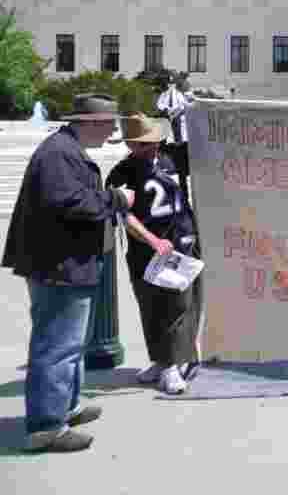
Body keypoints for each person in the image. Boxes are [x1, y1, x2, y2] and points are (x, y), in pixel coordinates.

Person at [1, 94, 135, 453]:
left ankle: (66, 408)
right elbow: (72, 204)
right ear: (89, 121)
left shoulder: (62, 149)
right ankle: (47, 427)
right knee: (57, 346)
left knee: (67, 345)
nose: (113, 131)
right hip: (59, 266)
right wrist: (117, 199)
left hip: (63, 263)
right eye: (109, 124)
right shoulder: (59, 153)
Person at [106, 115, 202, 394]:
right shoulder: (122, 172)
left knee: (177, 306)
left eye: (155, 142)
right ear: (130, 144)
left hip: (181, 243)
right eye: (144, 144)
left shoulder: (173, 157)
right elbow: (123, 214)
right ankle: (161, 360)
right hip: (145, 249)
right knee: (150, 306)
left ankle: (174, 365)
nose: (153, 148)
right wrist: (152, 240)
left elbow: (207, 148)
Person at [156, 77, 193, 207]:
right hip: (169, 137)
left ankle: (184, 199)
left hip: (180, 142)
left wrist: (177, 111)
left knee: (182, 173)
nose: (170, 84)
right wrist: (167, 111)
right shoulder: (164, 95)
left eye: (172, 82)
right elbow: (159, 105)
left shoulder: (180, 95)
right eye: (169, 82)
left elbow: (184, 107)